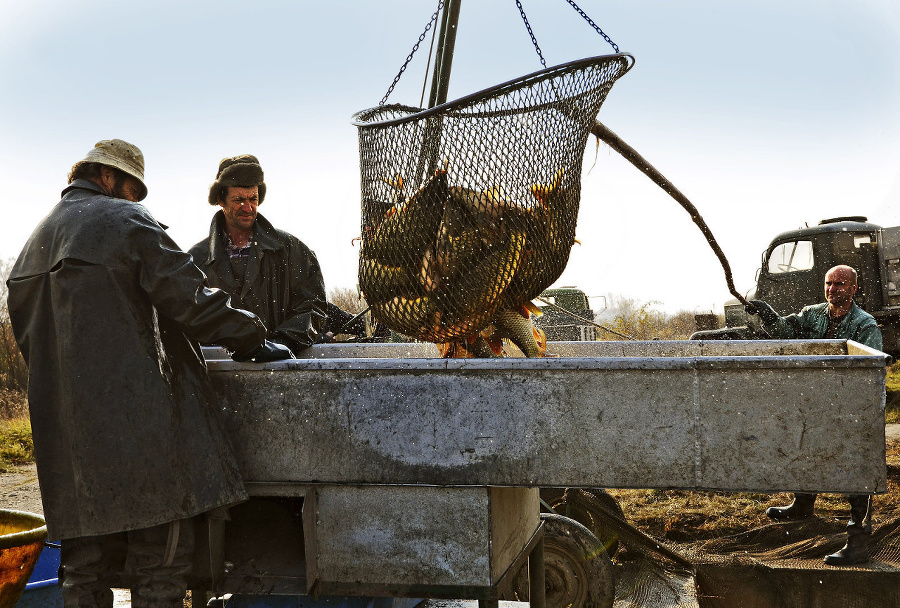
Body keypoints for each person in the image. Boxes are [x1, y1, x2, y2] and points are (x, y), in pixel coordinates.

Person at [6, 139, 292, 608]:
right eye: (132, 188)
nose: (136, 199)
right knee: (160, 567)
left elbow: (32, 346)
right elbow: (191, 299)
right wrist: (252, 337)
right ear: (107, 178)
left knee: (82, 570)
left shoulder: (31, 246)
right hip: (143, 433)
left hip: (69, 445)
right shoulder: (125, 222)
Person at [746, 264, 882, 566]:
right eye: (829, 284)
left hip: (852, 409)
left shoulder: (866, 325)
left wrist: (851, 408)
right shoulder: (812, 314)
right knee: (805, 448)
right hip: (814, 401)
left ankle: (858, 539)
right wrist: (767, 313)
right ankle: (803, 504)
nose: (833, 290)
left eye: (841, 285)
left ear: (854, 289)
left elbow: (871, 373)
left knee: (857, 469)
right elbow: (783, 330)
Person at [189, 155, 327, 354]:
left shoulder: (292, 250)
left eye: (253, 199)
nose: (248, 207)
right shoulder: (196, 260)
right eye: (238, 200)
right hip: (221, 372)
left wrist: (280, 345)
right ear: (221, 200)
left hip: (283, 365)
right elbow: (190, 319)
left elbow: (313, 307)